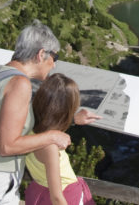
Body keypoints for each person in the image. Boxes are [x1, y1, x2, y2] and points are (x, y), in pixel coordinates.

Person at [0, 20, 100, 205]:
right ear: (41, 55)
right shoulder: (19, 84)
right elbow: (6, 146)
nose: (54, 65)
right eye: (54, 58)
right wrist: (52, 137)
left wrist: (71, 120)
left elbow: (13, 121)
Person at [24, 74, 96, 205]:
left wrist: (73, 120)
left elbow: (48, 123)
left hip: (39, 192)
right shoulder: (49, 146)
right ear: (66, 110)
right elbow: (56, 197)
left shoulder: (29, 129)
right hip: (67, 196)